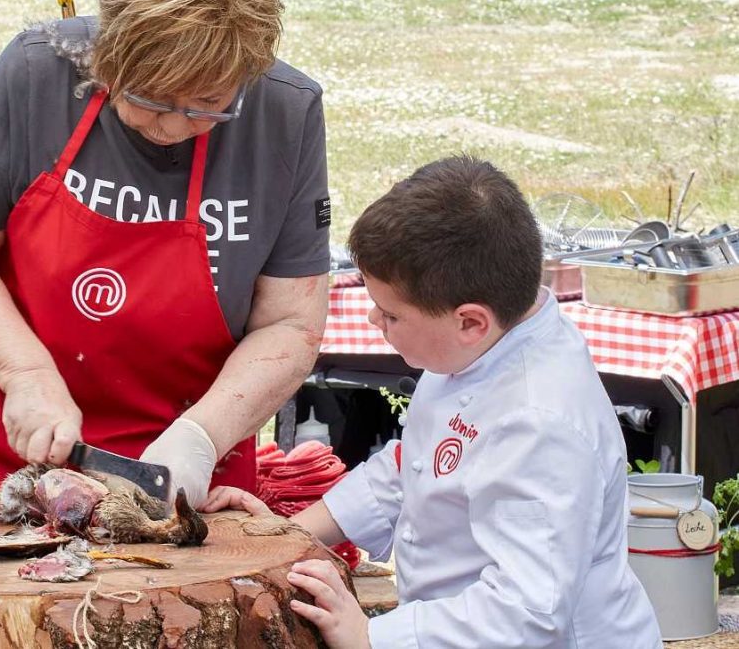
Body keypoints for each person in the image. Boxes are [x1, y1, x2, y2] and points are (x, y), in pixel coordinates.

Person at [0, 0, 330, 515]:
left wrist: (201, 437)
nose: (173, 126)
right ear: (108, 54)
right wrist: (23, 372)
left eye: (206, 105)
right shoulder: (37, 72)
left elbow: (291, 324)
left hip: (180, 477)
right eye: (149, 98)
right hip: (13, 457)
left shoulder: (284, 115)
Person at [203, 156, 662, 649]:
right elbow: (413, 469)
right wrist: (289, 535)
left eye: (391, 314)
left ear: (470, 321)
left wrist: (371, 638)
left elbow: (527, 612)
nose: (374, 322)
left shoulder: (538, 422)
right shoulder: (478, 349)